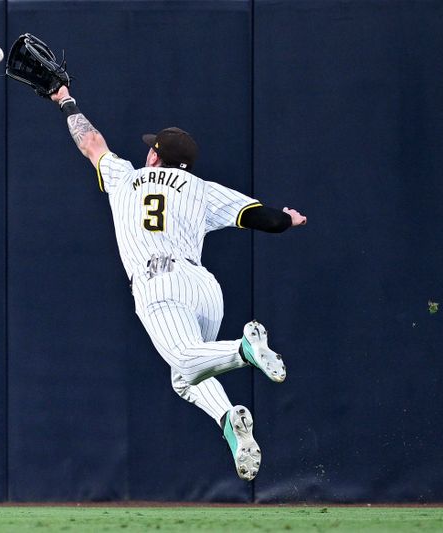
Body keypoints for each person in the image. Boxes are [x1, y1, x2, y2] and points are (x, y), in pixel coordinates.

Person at [49, 85, 306, 481]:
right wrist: (288, 219)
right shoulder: (202, 190)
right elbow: (265, 220)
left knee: (184, 360)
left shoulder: (125, 178)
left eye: (151, 148)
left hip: (158, 284)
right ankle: (229, 423)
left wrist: (65, 99)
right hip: (204, 289)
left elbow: (91, 142)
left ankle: (244, 350)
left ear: (155, 156)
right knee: (185, 378)